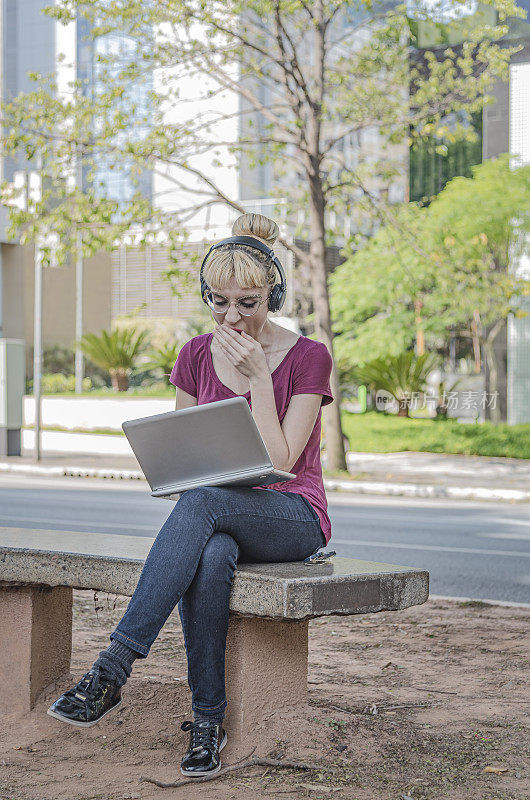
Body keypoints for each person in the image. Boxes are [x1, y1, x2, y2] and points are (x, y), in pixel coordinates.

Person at [47, 213, 334, 778]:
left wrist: (256, 379)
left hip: (294, 514)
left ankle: (112, 668)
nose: (232, 317)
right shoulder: (195, 355)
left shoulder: (308, 357)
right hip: (218, 513)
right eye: (219, 302)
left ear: (272, 294)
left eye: (248, 303)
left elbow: (280, 464)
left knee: (201, 506)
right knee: (211, 551)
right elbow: (186, 460)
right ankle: (207, 725)